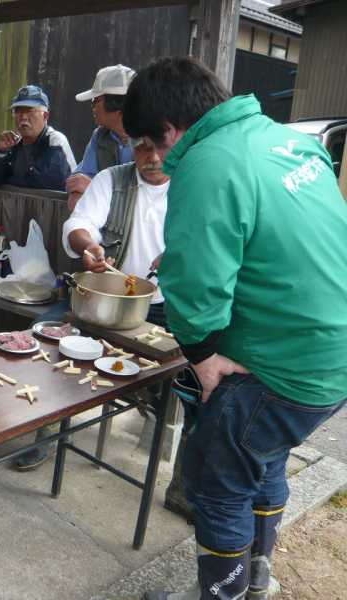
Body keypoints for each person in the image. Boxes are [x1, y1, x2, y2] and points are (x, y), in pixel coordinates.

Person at [122, 57, 347, 600]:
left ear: (172, 131)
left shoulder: (207, 163)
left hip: (284, 368)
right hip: (332, 352)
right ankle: (256, 576)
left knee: (217, 482)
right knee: (260, 453)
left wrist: (201, 354)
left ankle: (222, 593)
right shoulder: (283, 139)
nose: (156, 159)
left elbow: (195, 282)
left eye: (153, 145)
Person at [14, 137, 169, 471]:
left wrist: (181, 256)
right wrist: (87, 246)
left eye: (162, 147)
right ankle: (48, 430)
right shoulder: (113, 179)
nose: (152, 157)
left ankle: (185, 479)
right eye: (143, 147)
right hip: (101, 300)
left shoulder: (193, 186)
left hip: (164, 305)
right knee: (45, 338)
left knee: (188, 374)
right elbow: (78, 224)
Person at [66, 64, 136, 211]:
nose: (92, 107)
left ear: (115, 102)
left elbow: (143, 193)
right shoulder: (100, 136)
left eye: (95, 101)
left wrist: (92, 187)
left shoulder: (150, 139)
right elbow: (78, 180)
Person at [0, 85, 76, 191]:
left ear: (45, 116)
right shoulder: (14, 144)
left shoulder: (55, 140)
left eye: (30, 110)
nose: (23, 117)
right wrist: (0, 152)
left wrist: (5, 180)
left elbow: (47, 182)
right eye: (18, 111)